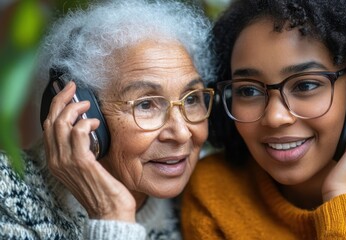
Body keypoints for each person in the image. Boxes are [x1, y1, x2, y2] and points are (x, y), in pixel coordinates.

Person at [181, 0, 346, 239]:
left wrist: (341, 194)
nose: (275, 117)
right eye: (248, 91)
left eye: (306, 85)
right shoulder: (216, 193)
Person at [0, 0, 214, 239]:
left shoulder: (209, 194)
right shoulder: (7, 194)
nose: (182, 133)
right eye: (145, 104)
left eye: (192, 99)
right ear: (81, 114)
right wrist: (111, 215)